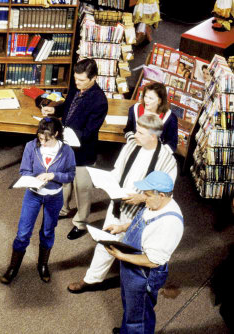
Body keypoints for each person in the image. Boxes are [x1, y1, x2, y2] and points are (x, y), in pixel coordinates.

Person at [68, 114, 177, 294]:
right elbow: (118, 170)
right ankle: (91, 280)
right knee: (106, 241)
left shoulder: (167, 159)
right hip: (119, 205)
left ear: (153, 136)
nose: (134, 135)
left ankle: (140, 284)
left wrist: (141, 198)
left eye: (140, 133)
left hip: (144, 211)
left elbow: (166, 193)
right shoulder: (132, 145)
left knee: (139, 250)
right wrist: (106, 182)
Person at [105, 171, 184, 334]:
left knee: (139, 316)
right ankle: (126, 330)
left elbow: (153, 261)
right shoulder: (155, 204)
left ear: (161, 195)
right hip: (131, 267)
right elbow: (140, 220)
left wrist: (121, 256)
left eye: (147, 195)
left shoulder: (169, 224)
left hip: (143, 274)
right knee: (131, 306)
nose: (143, 198)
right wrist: (121, 227)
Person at [0, 117, 76, 285]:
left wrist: (53, 176)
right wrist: (33, 179)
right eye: (40, 138)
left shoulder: (67, 151)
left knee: (48, 232)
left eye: (46, 139)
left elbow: (70, 175)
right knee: (23, 233)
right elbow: (24, 170)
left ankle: (43, 265)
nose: (42, 142)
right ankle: (13, 268)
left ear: (56, 134)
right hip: (33, 194)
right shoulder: (31, 146)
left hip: (54, 196)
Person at [41, 58, 108, 240]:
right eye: (76, 79)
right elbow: (68, 106)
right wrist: (54, 111)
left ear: (94, 77)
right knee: (64, 182)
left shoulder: (100, 101)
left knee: (82, 188)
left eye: (81, 80)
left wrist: (64, 133)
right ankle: (63, 209)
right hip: (67, 145)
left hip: (83, 151)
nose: (77, 83)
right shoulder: (77, 85)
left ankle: (81, 223)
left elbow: (89, 132)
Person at [124, 82, 178, 152]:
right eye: (145, 96)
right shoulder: (134, 109)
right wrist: (133, 143)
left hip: (157, 155)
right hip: (134, 149)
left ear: (159, 101)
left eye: (151, 98)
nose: (146, 100)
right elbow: (128, 130)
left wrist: (156, 154)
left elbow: (172, 144)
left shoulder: (170, 118)